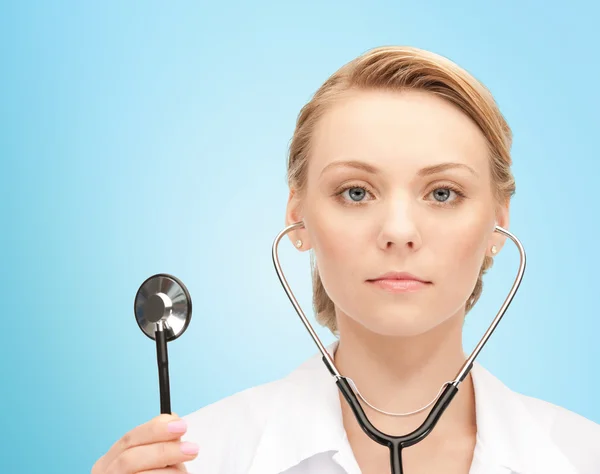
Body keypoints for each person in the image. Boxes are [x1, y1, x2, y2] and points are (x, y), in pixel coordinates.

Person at [91, 46, 600, 474]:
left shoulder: (583, 456)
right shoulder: (201, 457)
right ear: (299, 219)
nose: (399, 232)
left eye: (442, 193)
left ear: (498, 223)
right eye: (356, 192)